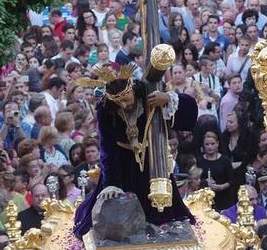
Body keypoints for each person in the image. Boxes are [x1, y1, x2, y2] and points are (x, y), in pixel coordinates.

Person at [74, 67, 199, 238]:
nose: (125, 105)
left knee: (161, 215)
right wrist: (111, 182)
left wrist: (167, 99)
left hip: (153, 161)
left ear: (133, 90)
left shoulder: (148, 93)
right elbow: (107, 148)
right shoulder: (106, 109)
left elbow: (190, 109)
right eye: (120, 103)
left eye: (126, 99)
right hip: (122, 165)